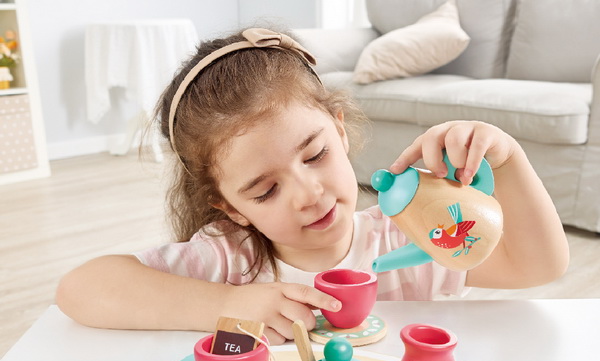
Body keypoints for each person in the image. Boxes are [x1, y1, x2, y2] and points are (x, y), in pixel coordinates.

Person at [56, 28, 569, 344]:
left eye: (316, 155)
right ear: (230, 208)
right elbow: (80, 289)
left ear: (339, 131)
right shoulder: (230, 261)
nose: (308, 194)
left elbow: (539, 265)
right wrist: (225, 306)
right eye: (265, 191)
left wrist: (508, 159)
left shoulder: (406, 239)